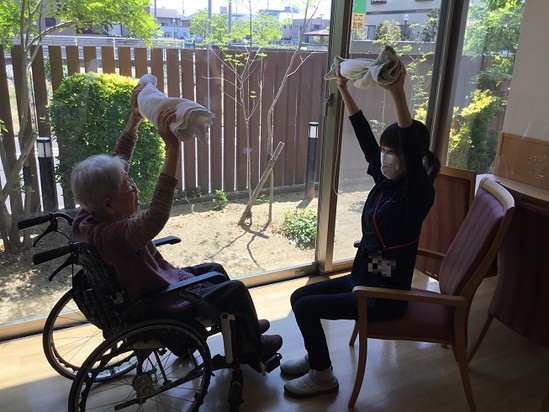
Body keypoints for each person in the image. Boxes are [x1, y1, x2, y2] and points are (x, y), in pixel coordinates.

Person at [70, 84, 282, 366]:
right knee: (234, 289)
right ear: (110, 204)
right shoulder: (117, 236)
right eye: (130, 187)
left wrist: (134, 121)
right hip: (156, 301)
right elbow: (157, 215)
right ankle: (252, 348)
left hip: (142, 292)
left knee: (215, 270)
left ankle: (245, 331)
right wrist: (172, 147)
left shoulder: (88, 216)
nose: (135, 189)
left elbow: (117, 167)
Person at [281, 67, 440, 397]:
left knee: (307, 308)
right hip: (364, 278)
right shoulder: (386, 181)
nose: (385, 156)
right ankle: (317, 356)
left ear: (414, 156)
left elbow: (409, 146)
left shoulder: (417, 193)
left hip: (384, 296)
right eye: (385, 150)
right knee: (300, 297)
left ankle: (323, 377)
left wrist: (397, 92)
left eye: (393, 151)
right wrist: (343, 89)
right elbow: (365, 136)